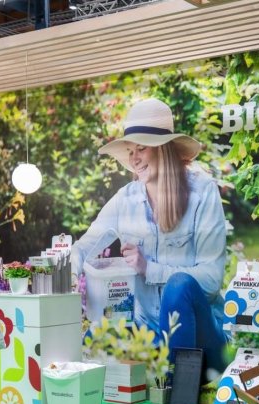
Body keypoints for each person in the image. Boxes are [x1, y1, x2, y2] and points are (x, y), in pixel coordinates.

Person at [72, 97, 229, 376]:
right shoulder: (126, 199)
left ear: (163, 150)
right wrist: (72, 276)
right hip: (150, 337)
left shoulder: (202, 192)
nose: (134, 159)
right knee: (95, 339)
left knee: (179, 286)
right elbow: (84, 246)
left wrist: (150, 269)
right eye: (130, 151)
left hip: (202, 341)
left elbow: (211, 281)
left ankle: (173, 387)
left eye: (141, 148)